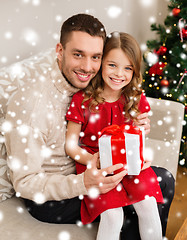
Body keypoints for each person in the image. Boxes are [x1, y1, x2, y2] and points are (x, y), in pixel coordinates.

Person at [4, 13, 175, 239]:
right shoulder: (32, 104)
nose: (87, 67)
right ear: (59, 51)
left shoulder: (88, 82)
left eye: (96, 57)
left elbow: (115, 109)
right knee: (127, 208)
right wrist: (84, 182)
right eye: (78, 55)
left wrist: (136, 130)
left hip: (96, 166)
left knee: (163, 180)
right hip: (53, 196)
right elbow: (25, 183)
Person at [65, 32, 164, 240]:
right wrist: (94, 162)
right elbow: (71, 146)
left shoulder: (134, 99)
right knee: (112, 216)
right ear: (101, 63)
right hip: (96, 162)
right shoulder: (81, 100)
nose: (119, 74)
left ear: (135, 70)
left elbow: (140, 136)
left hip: (129, 162)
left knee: (148, 204)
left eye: (128, 68)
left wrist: (142, 148)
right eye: (112, 65)